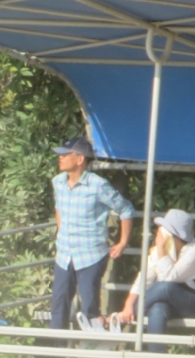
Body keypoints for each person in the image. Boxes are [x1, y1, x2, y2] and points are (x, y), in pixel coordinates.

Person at [49, 136, 134, 331]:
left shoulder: (98, 185)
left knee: (89, 308)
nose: (60, 157)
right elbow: (58, 208)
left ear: (80, 159)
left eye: (65, 154)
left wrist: (123, 242)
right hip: (64, 255)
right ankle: (55, 349)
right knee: (58, 306)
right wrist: (62, 232)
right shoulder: (58, 182)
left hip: (91, 255)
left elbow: (126, 209)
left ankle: (93, 348)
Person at [116, 208, 195, 353]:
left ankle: (119, 321)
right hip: (172, 301)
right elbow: (144, 278)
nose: (160, 234)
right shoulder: (161, 251)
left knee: (165, 288)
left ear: (175, 235)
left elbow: (168, 278)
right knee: (158, 308)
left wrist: (160, 247)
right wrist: (128, 306)